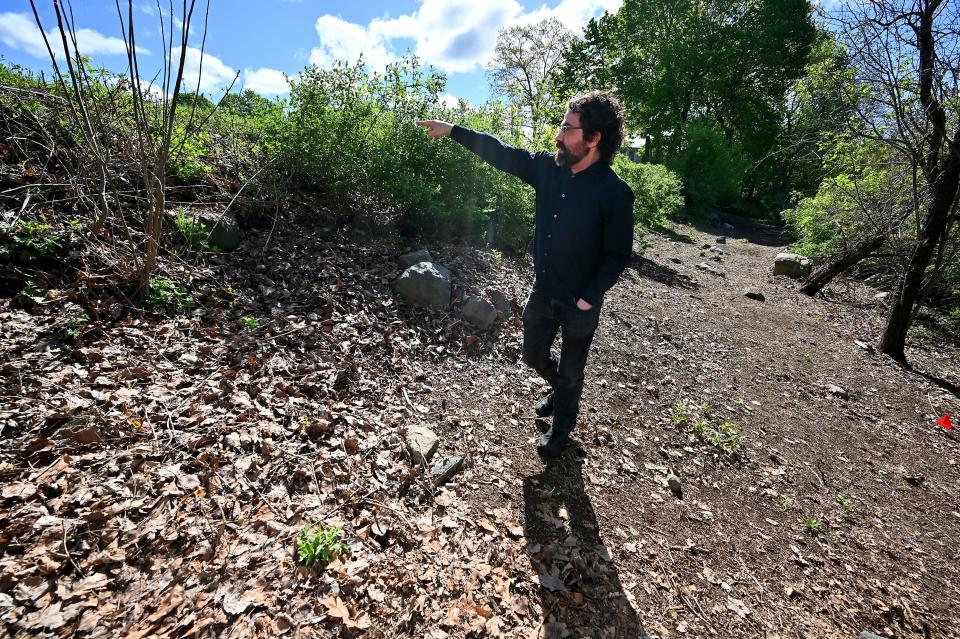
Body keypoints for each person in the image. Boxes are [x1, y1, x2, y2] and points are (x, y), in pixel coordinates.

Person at [416, 91, 634, 459]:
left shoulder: (615, 194)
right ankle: (561, 392)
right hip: (543, 291)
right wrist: (453, 130)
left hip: (581, 303)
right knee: (533, 356)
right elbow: (501, 152)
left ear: (594, 138)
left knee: (572, 370)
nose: (559, 135)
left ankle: (562, 425)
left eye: (568, 128)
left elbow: (617, 256)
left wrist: (588, 296)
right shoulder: (547, 169)